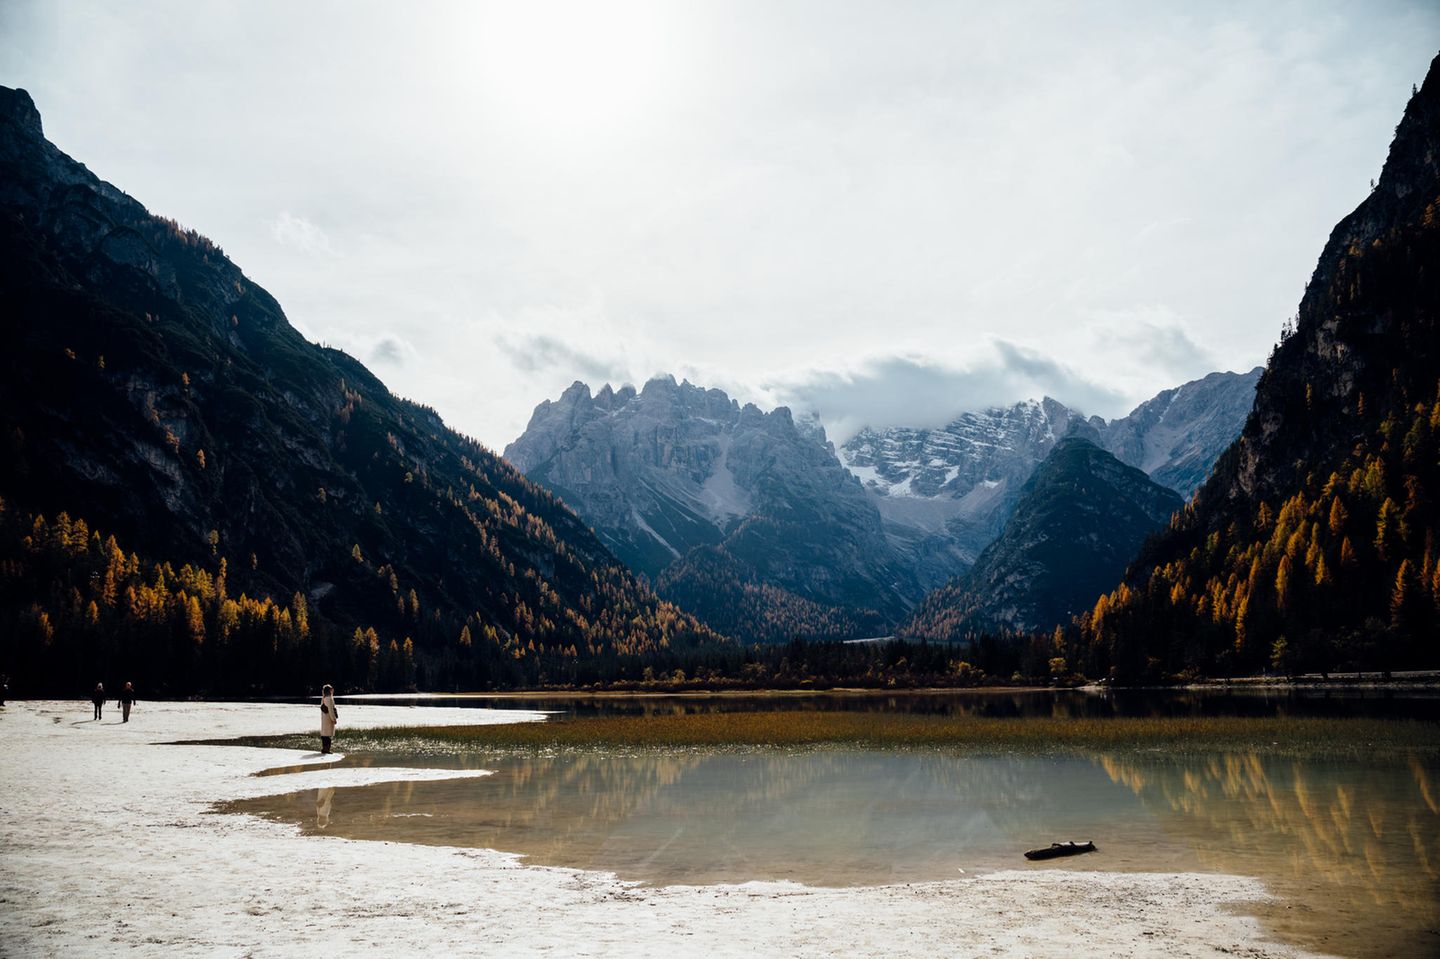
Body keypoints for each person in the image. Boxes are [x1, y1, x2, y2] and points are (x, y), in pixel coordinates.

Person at [319, 684, 338, 754]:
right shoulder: (329, 698)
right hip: (328, 719)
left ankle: (324, 749)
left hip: (324, 719)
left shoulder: (323, 698)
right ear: (329, 690)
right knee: (328, 736)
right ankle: (327, 750)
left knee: (325, 735)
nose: (332, 690)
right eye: (331, 689)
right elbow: (331, 710)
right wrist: (334, 719)